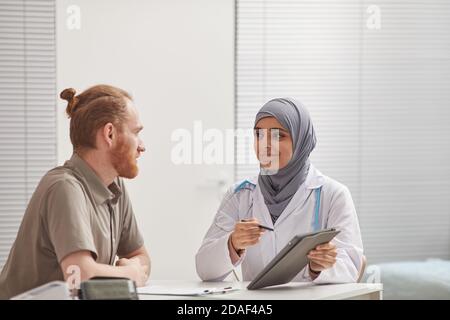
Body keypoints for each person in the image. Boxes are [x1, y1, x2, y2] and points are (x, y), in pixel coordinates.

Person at [0, 84, 150, 299]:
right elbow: (79, 276)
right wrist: (130, 274)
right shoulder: (64, 187)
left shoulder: (115, 186)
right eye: (136, 133)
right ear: (109, 134)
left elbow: (141, 258)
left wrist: (133, 270)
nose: (142, 146)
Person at [196, 98, 363, 284]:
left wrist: (318, 268)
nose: (265, 145)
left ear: (301, 141)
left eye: (278, 136)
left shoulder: (333, 195)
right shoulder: (239, 194)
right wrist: (233, 243)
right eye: (259, 134)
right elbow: (204, 269)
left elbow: (352, 267)